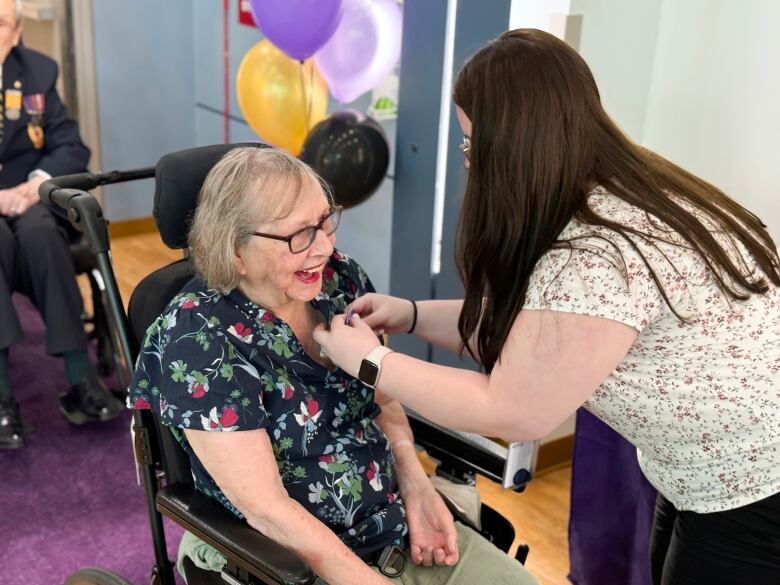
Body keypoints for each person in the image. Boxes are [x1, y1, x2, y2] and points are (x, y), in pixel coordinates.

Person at [313, 28, 780, 585]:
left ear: (516, 144)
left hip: (753, 484)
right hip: (703, 469)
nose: (467, 162)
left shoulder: (595, 254)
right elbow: (541, 341)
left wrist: (370, 361)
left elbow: (515, 407)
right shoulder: (627, 191)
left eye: (470, 144)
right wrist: (410, 314)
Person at [128, 147, 538, 585]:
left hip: (396, 526)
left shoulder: (340, 280)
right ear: (236, 250)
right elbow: (267, 510)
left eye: (325, 221)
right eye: (299, 235)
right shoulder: (197, 339)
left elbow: (381, 398)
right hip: (288, 564)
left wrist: (417, 486)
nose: (325, 246)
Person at [0, 0, 123, 449]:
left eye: (0, 24)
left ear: (15, 32)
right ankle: (2, 401)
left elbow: (70, 146)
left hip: (28, 199)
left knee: (41, 235)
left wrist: (34, 186)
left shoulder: (37, 72)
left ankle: (80, 378)